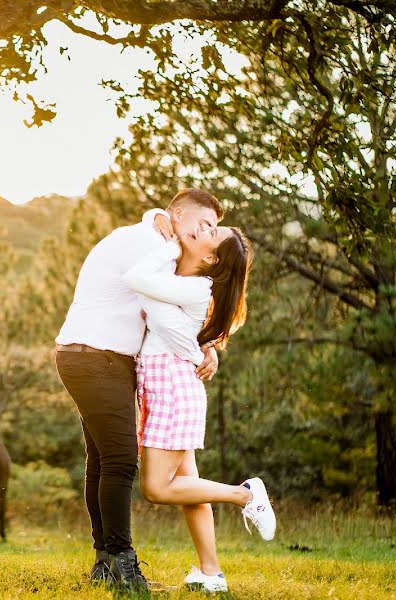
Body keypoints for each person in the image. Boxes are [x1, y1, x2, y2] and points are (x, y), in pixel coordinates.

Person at [55, 189, 224, 591]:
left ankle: (105, 561)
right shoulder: (148, 245)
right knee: (120, 458)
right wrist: (205, 345)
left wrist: (209, 346)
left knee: (101, 458)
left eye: (214, 230)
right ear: (177, 215)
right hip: (96, 356)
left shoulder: (155, 242)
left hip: (96, 356)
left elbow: (169, 315)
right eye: (203, 226)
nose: (207, 235)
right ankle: (123, 563)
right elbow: (167, 311)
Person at [121, 217, 276, 593]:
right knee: (190, 487)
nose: (201, 230)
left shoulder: (193, 287)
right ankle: (211, 574)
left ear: (211, 260)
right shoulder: (188, 283)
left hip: (171, 388)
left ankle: (245, 495)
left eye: (211, 234)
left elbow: (137, 281)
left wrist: (173, 244)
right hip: (170, 385)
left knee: (157, 488)